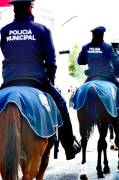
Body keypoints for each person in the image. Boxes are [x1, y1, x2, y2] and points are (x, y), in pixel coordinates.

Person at [0, 0, 81, 160]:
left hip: (10, 81)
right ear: (30, 8)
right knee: (62, 106)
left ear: (14, 9)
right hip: (36, 80)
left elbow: (5, 52)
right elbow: (51, 62)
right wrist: (50, 80)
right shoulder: (42, 30)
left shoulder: (4, 30)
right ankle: (69, 146)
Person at [77, 26, 119, 97]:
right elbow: (116, 63)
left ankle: (78, 107)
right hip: (108, 75)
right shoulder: (108, 47)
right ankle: (118, 107)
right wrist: (115, 75)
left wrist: (89, 59)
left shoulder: (86, 47)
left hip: (92, 76)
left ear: (93, 35)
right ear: (102, 35)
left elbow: (80, 61)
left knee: (80, 93)